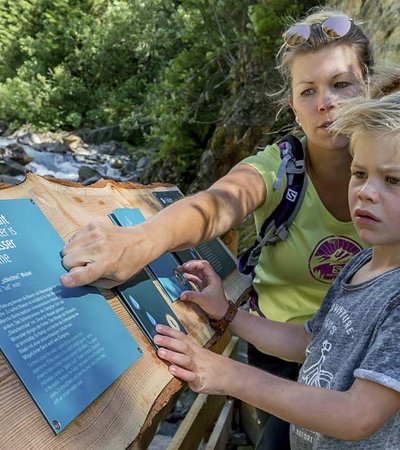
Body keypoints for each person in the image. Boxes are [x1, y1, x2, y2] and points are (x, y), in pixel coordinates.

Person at [60, 7, 374, 448]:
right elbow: (220, 202)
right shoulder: (279, 168)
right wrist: (140, 240)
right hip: (284, 348)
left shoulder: (390, 173)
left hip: (370, 358)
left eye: (342, 84)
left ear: (371, 88)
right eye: (308, 91)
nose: (326, 102)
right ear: (293, 108)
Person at [154, 91, 400, 449]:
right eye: (359, 173)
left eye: (393, 180)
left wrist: (227, 374)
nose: (365, 192)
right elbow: (311, 343)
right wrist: (228, 313)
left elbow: (358, 415)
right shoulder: (361, 262)